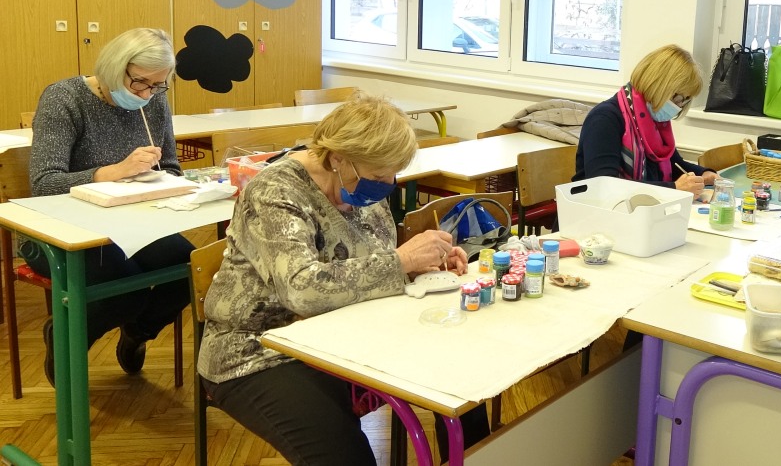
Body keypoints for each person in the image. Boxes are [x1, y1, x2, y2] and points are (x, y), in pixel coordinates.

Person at [197, 94, 471, 466]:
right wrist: (400, 261)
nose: (385, 185)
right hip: (258, 350)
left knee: (460, 382)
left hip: (342, 336)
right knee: (344, 456)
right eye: (378, 176)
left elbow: (370, 259)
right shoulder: (275, 191)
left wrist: (419, 266)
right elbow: (301, 289)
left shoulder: (359, 184)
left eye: (391, 176)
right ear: (338, 157)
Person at [24, 27, 194, 386]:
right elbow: (44, 184)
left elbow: (171, 167)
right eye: (139, 82)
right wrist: (114, 172)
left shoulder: (153, 101)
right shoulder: (64, 99)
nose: (146, 94)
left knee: (189, 268)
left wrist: (167, 180)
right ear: (114, 67)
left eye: (157, 85)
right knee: (126, 291)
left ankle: (137, 331)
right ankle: (65, 339)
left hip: (131, 221)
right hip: (62, 229)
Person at [574, 44, 718, 195]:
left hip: (641, 206)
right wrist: (674, 188)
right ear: (658, 86)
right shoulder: (604, 119)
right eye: (677, 97)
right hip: (593, 206)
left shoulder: (653, 120)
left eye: (685, 100)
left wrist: (704, 174)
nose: (679, 106)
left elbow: (675, 164)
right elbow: (604, 185)